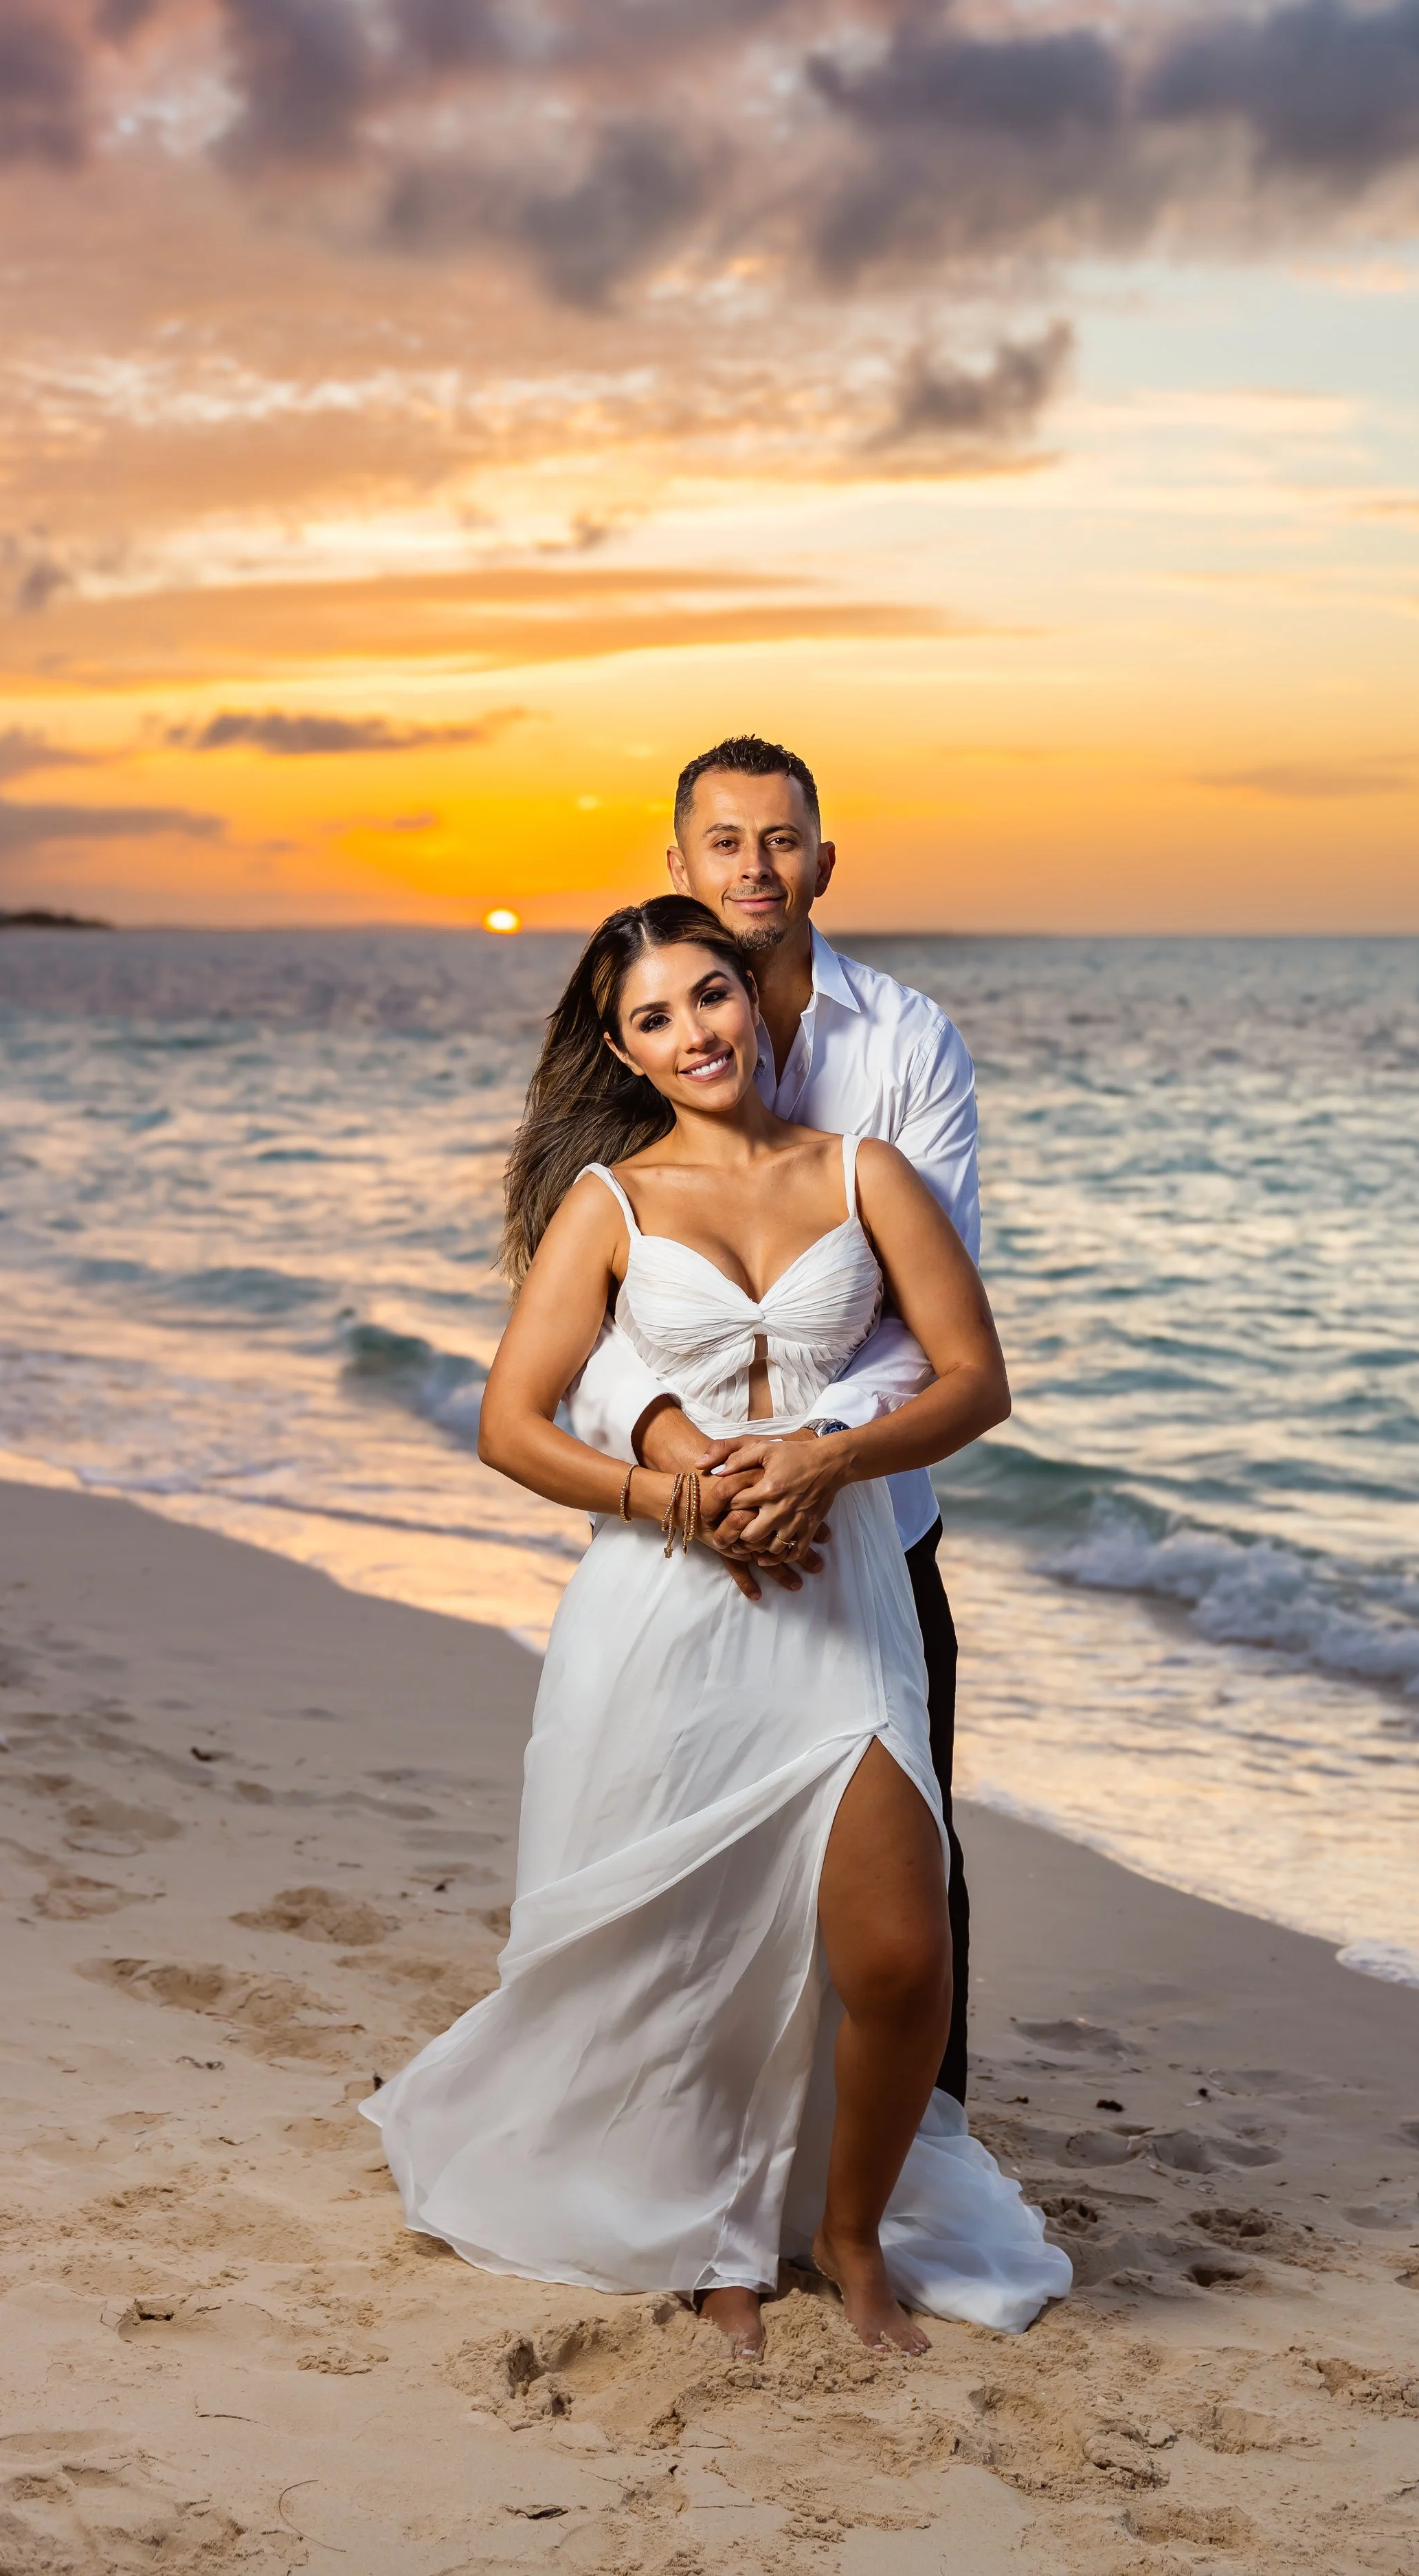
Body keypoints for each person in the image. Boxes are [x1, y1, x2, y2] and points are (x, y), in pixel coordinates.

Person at [362, 895, 1072, 2353]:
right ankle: (712, 2240)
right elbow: (509, 1420)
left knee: (894, 1954)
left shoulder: (863, 1170)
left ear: (751, 1002)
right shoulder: (608, 1207)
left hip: (842, 1588)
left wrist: (822, 1459)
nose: (691, 1032)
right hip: (668, 1612)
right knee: (682, 1939)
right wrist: (670, 1504)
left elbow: (970, 1379)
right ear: (619, 1050)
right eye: (653, 1017)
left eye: (708, 997)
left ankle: (848, 2229)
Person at [568, 735, 980, 2120]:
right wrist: (683, 1456)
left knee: (908, 1861)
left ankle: (921, 2149)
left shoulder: (907, 1045)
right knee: (698, 1857)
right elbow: (594, 1309)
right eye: (725, 842)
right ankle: (701, 2159)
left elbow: (932, 1324)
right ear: (677, 864)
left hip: (870, 1521)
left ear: (822, 860)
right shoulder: (646, 1023)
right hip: (688, 1537)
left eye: (781, 839)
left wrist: (814, 1461)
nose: (756, 865)